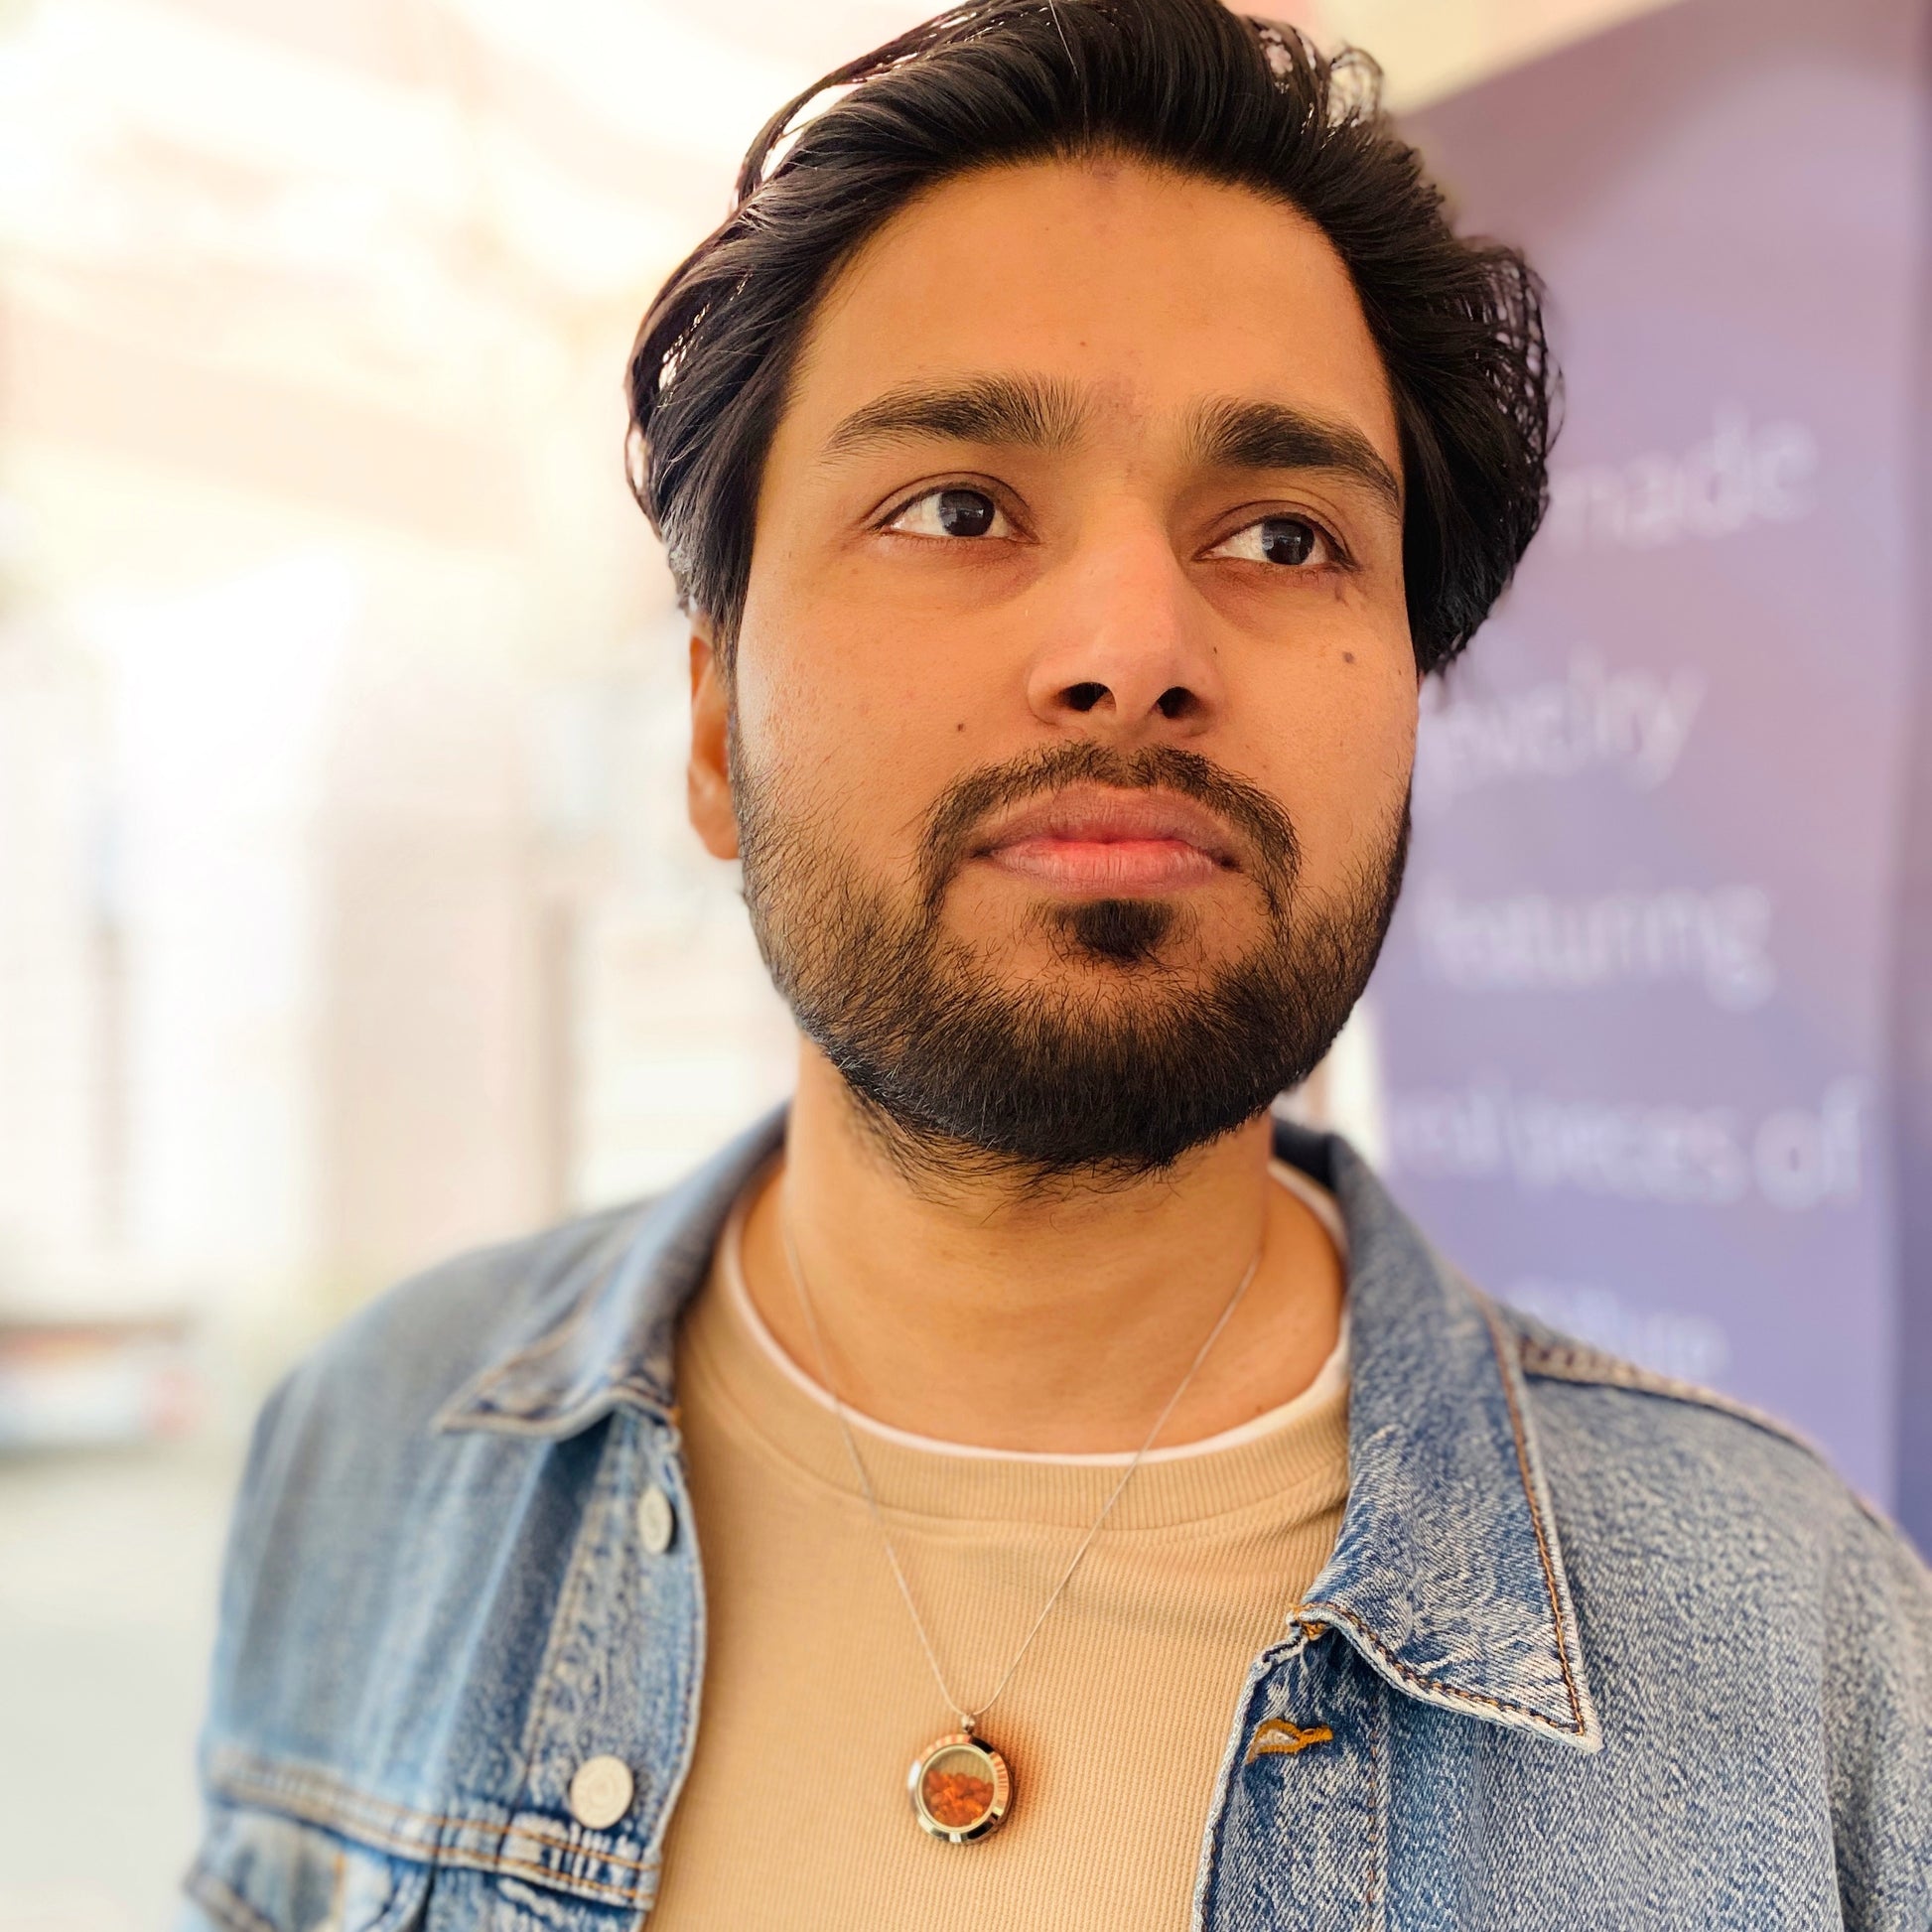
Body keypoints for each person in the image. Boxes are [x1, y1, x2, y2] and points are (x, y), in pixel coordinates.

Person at [179, 3, 1931, 1927]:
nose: (1131, 639)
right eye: (953, 507)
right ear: (707, 733)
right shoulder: (371, 1450)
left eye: (1280, 532)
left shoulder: (1810, 1667)